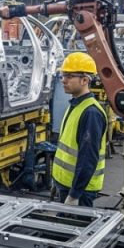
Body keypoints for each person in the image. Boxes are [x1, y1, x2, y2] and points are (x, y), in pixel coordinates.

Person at [52, 52, 107, 207]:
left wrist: (74, 195)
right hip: (67, 185)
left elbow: (88, 159)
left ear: (84, 80)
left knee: (77, 228)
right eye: (63, 75)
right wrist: (57, 181)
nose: (63, 80)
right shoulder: (76, 105)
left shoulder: (91, 113)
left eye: (69, 76)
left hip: (80, 191)